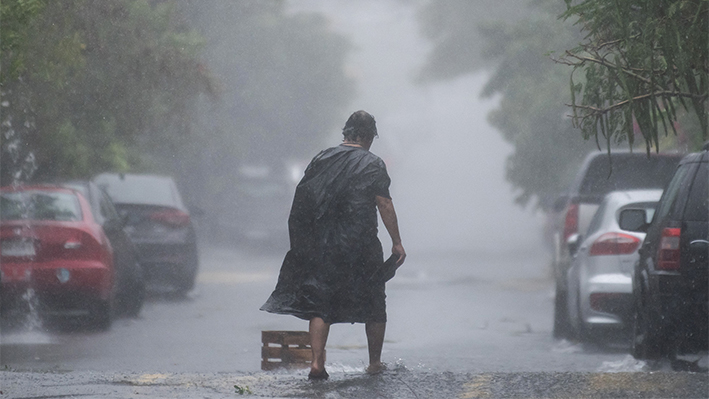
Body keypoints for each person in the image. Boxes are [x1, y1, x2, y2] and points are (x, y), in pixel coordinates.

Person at [260, 110, 406, 380]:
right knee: (374, 301)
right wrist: (397, 242)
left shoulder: (321, 158)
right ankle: (374, 363)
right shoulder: (373, 163)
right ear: (366, 136)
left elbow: (302, 200)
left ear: (347, 133)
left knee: (321, 303)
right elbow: (384, 203)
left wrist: (302, 243)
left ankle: (317, 363)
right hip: (361, 244)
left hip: (324, 245)